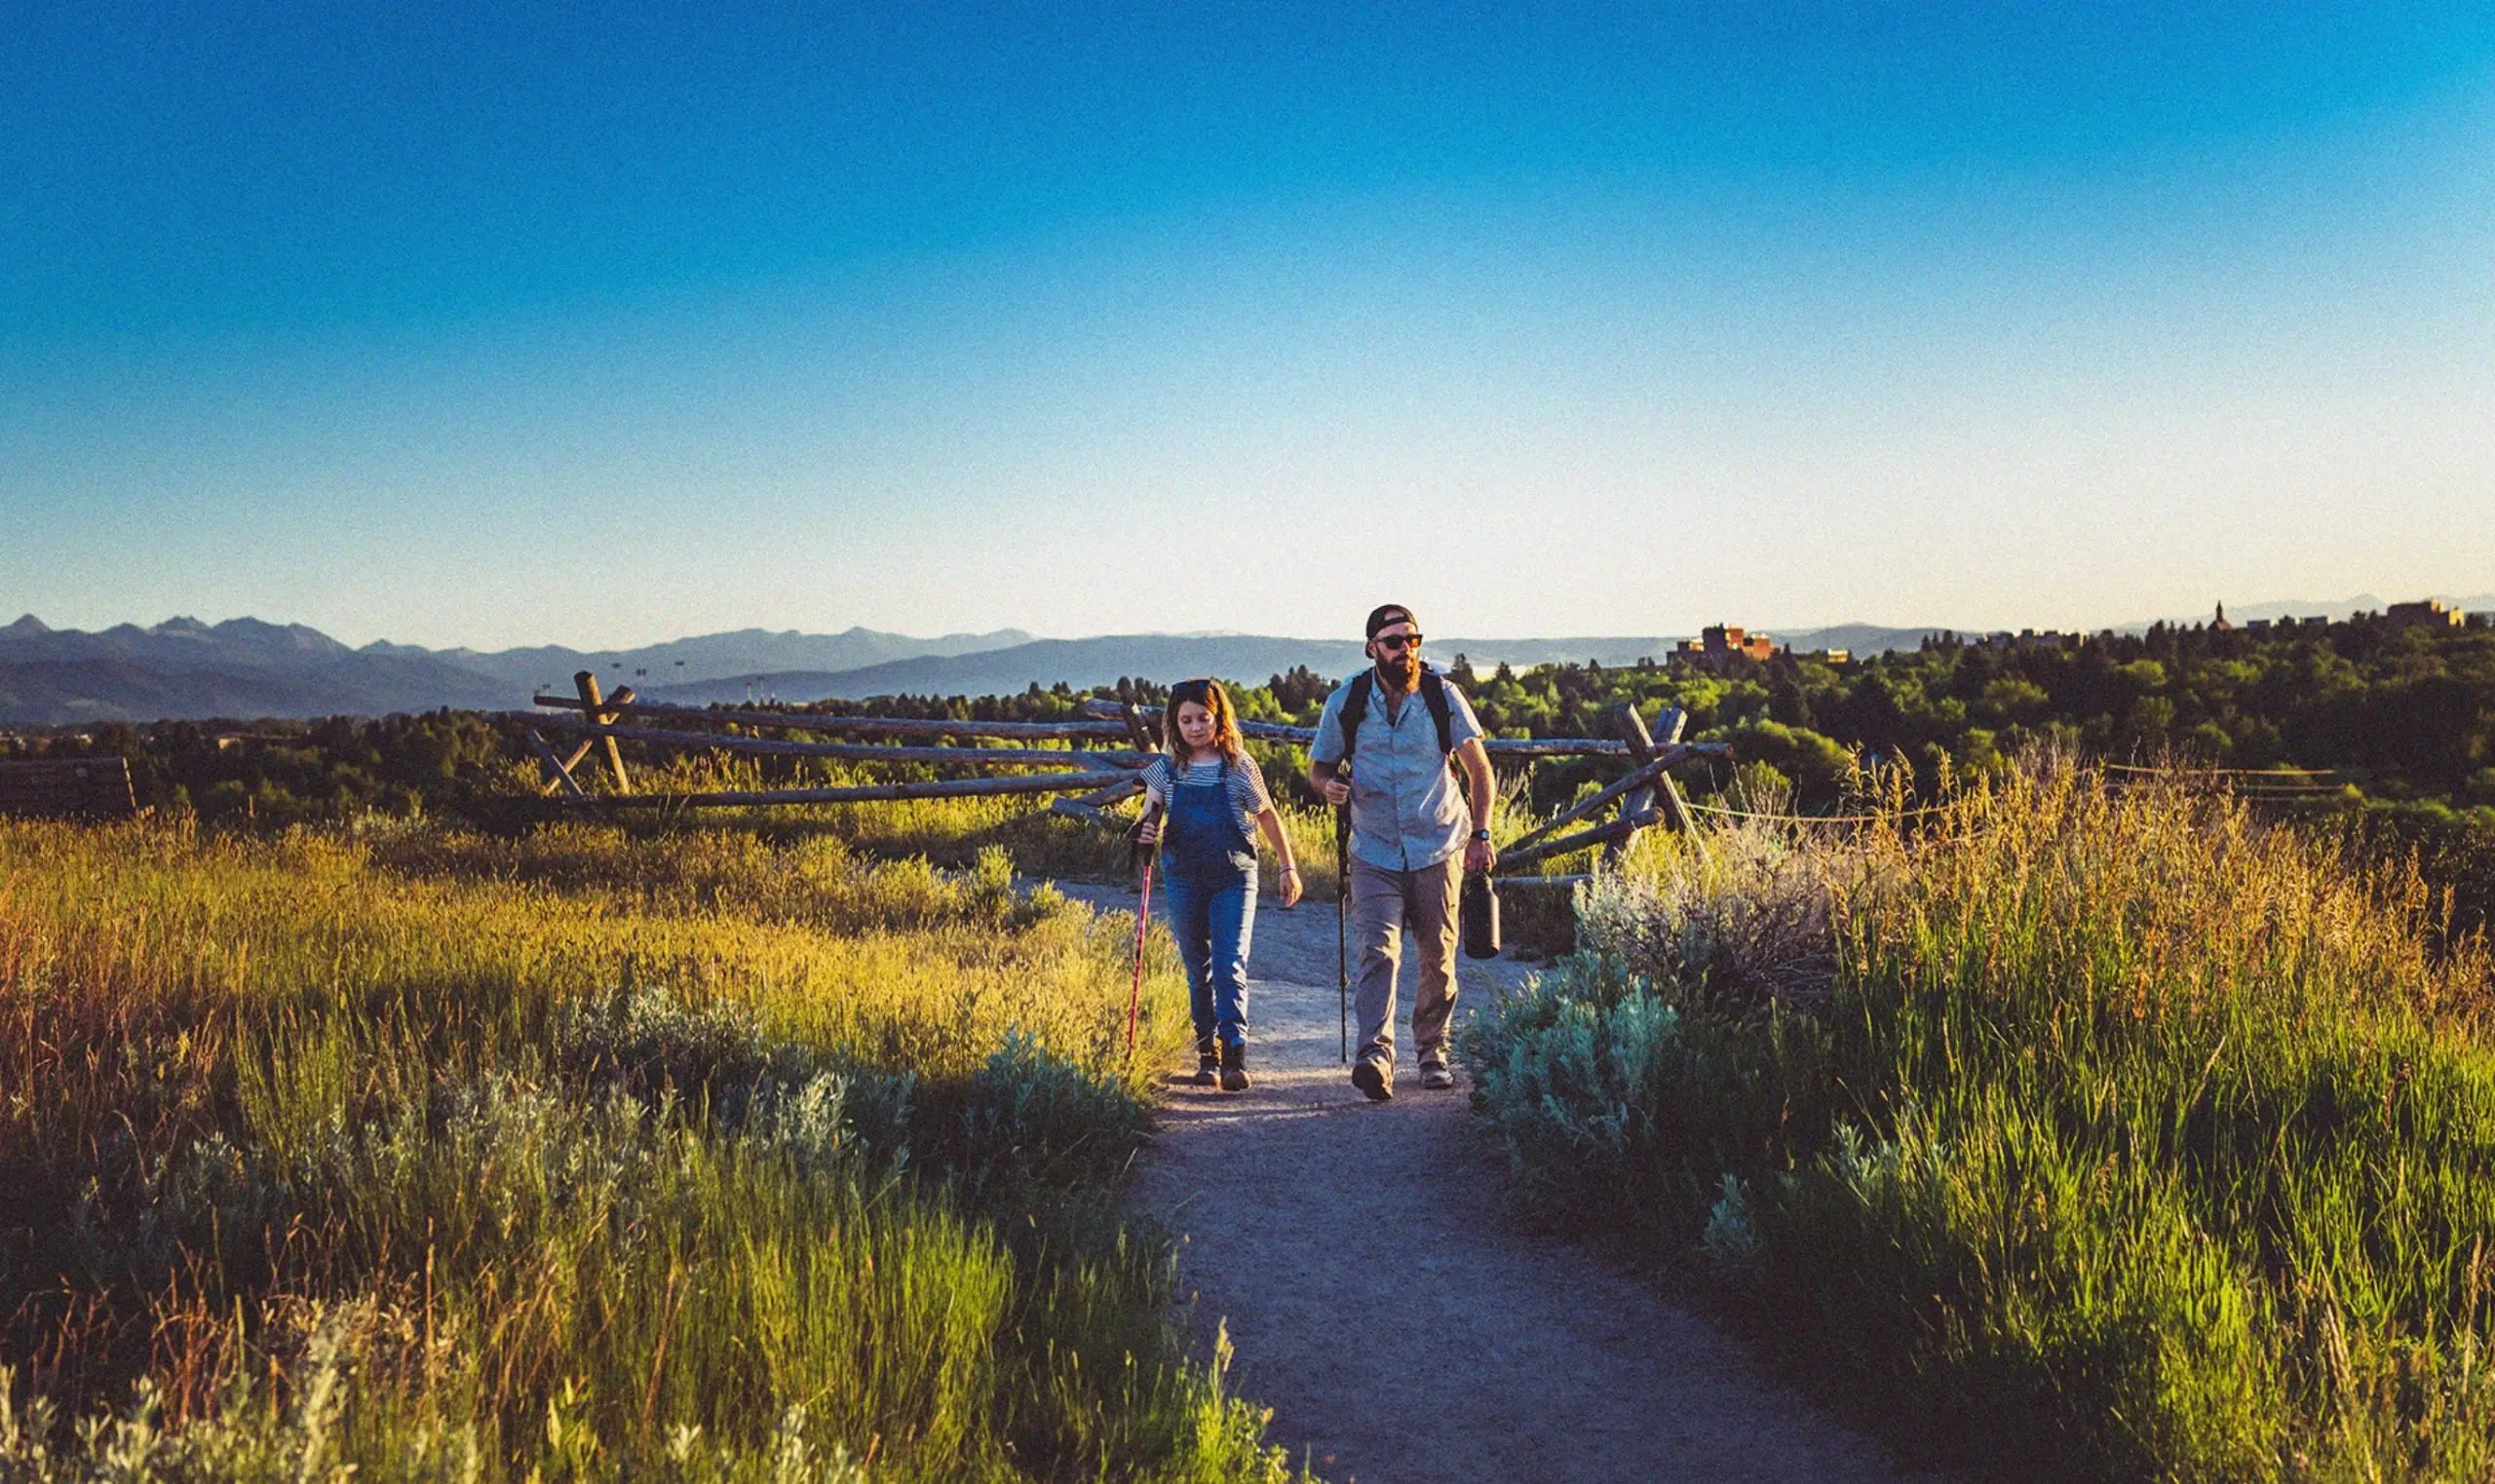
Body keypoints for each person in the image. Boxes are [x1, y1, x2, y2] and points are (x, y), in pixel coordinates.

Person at [1308, 604, 1496, 1100]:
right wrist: (1328, 787)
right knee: (1378, 951)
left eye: (1413, 639)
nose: (1406, 649)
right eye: (1395, 642)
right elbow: (1319, 767)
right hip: (1373, 850)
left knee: (1437, 955)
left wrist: (1481, 835)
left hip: (1438, 844)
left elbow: (1480, 770)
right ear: (1372, 648)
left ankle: (1433, 1053)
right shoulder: (1346, 701)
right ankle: (1376, 1056)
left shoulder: (1442, 696)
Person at [1135, 677, 1302, 1091]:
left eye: (1203, 718)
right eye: (1186, 719)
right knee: (1197, 968)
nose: (1195, 727)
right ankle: (1206, 1055)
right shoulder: (1165, 771)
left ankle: (1234, 1055)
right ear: (1174, 723)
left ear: (1219, 719)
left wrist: (1288, 866)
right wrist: (1143, 831)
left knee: (1229, 965)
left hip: (1234, 874)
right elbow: (1149, 817)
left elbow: (1266, 815)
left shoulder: (1239, 767)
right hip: (1183, 876)